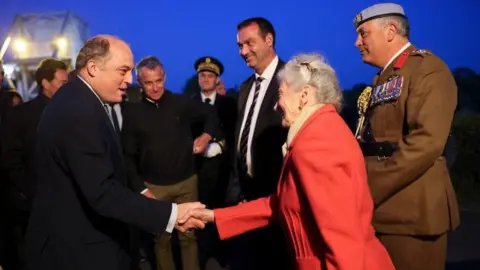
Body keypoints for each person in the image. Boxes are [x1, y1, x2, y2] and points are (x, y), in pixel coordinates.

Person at [181, 53, 395, 270]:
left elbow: (343, 240)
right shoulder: (321, 131)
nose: (276, 106)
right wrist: (214, 216)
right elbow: (282, 203)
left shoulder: (316, 144)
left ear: (304, 95)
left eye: (280, 94)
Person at [24, 35, 205, 270]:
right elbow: (102, 193)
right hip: (78, 251)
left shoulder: (81, 100)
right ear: (92, 68)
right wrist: (172, 214)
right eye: (123, 71)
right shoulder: (79, 111)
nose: (129, 80)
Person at [353, 3, 460, 270]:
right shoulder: (383, 77)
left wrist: (369, 189)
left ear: (390, 31)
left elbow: (426, 142)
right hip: (384, 210)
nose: (357, 42)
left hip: (411, 212)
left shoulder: (428, 69)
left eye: (363, 33)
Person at [122, 55, 221, 270]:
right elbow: (127, 157)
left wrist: (205, 137)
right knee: (161, 240)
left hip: (187, 182)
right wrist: (141, 190)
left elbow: (211, 113)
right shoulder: (132, 114)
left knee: (189, 236)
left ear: (164, 77)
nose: (155, 87)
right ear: (140, 82)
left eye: (158, 80)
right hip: (154, 188)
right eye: (148, 82)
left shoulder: (181, 103)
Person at [225, 16, 290, 270]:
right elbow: (240, 141)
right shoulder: (245, 88)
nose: (243, 51)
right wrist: (236, 195)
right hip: (246, 200)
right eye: (240, 46)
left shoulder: (292, 80)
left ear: (269, 40)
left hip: (279, 200)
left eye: (249, 43)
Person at [0, 58, 68, 270]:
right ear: (46, 84)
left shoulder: (73, 113)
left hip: (68, 205)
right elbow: (11, 160)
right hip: (33, 207)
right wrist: (33, 192)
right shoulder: (21, 115)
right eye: (62, 82)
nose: (67, 87)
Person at [190, 56, 237, 269]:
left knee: (221, 212)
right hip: (197, 169)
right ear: (198, 78)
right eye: (203, 75)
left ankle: (222, 254)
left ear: (217, 79)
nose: (206, 79)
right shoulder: (189, 103)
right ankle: (200, 254)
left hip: (221, 170)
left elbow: (234, 133)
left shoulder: (228, 104)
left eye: (210, 76)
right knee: (199, 213)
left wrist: (222, 145)